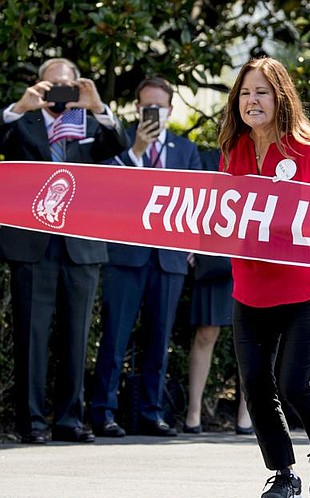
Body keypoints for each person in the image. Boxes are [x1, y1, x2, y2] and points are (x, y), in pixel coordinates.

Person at [218, 57, 310, 498]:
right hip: (251, 286)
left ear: (281, 98)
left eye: (262, 93)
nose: (252, 101)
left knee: (293, 381)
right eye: (245, 93)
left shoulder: (309, 149)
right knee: (255, 382)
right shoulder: (233, 148)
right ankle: (283, 474)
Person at [0, 57, 129, 444]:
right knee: (31, 336)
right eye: (50, 85)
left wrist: (97, 107)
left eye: (66, 85)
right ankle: (32, 422)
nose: (58, 92)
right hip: (32, 244)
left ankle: (70, 420)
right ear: (38, 86)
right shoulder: (21, 121)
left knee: (77, 337)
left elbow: (120, 143)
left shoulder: (89, 124)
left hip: (81, 244)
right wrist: (19, 107)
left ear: (76, 87)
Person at [90, 77, 202, 438]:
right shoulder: (122, 142)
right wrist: (136, 151)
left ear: (170, 110)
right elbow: (106, 187)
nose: (153, 112)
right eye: (146, 107)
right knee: (115, 336)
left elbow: (197, 201)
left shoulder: (186, 150)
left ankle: (152, 412)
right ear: (138, 110)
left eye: (160, 107)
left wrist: (193, 244)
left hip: (169, 259)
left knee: (159, 339)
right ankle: (103, 412)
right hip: (126, 256)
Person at [184, 149, 253, 434]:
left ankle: (248, 413)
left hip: (254, 252)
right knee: (207, 331)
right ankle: (194, 411)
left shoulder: (270, 156)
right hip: (215, 253)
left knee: (252, 336)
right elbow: (191, 200)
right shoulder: (206, 158)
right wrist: (189, 240)